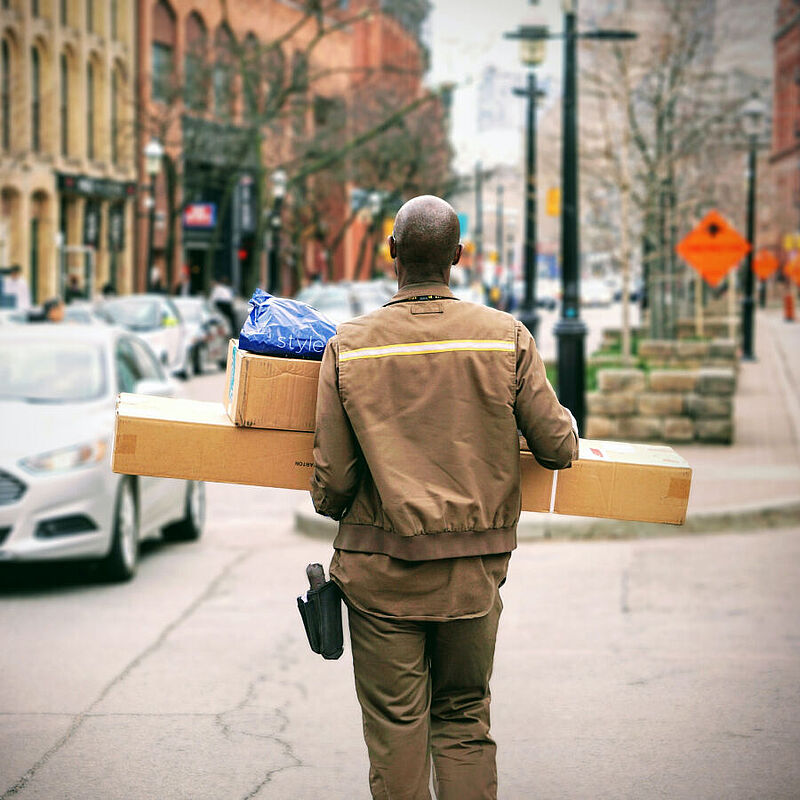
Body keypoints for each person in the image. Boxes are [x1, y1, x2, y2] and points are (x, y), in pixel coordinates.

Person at [311, 195, 578, 800]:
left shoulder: (349, 346)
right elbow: (558, 448)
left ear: (392, 255)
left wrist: (334, 504)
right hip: (472, 578)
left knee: (397, 730)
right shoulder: (504, 338)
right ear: (458, 257)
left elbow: (334, 481)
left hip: (380, 577)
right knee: (461, 720)